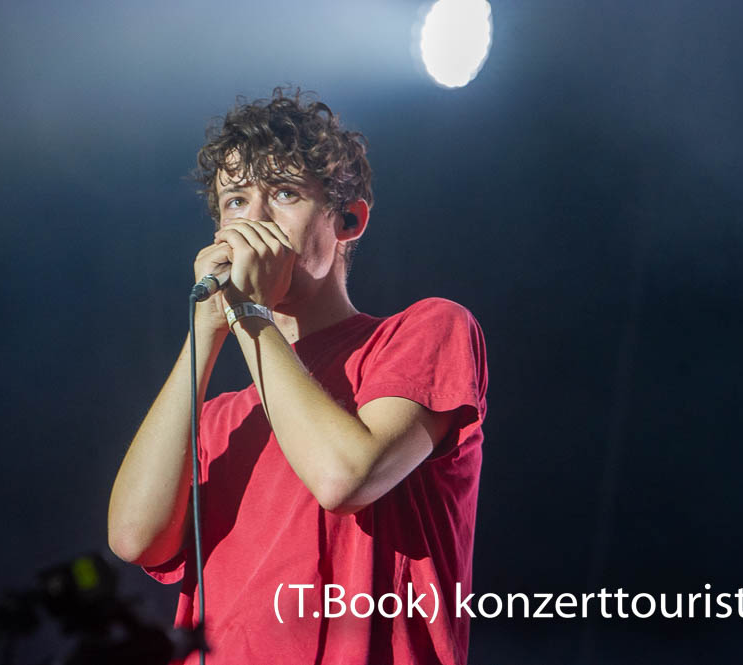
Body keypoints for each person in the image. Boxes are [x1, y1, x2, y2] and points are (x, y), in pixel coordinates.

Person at [107, 88, 488, 665]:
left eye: (284, 193)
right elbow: (135, 539)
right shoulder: (219, 417)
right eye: (236, 201)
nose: (255, 222)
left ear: (348, 219)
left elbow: (344, 478)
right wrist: (206, 330)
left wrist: (250, 314)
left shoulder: (425, 331)